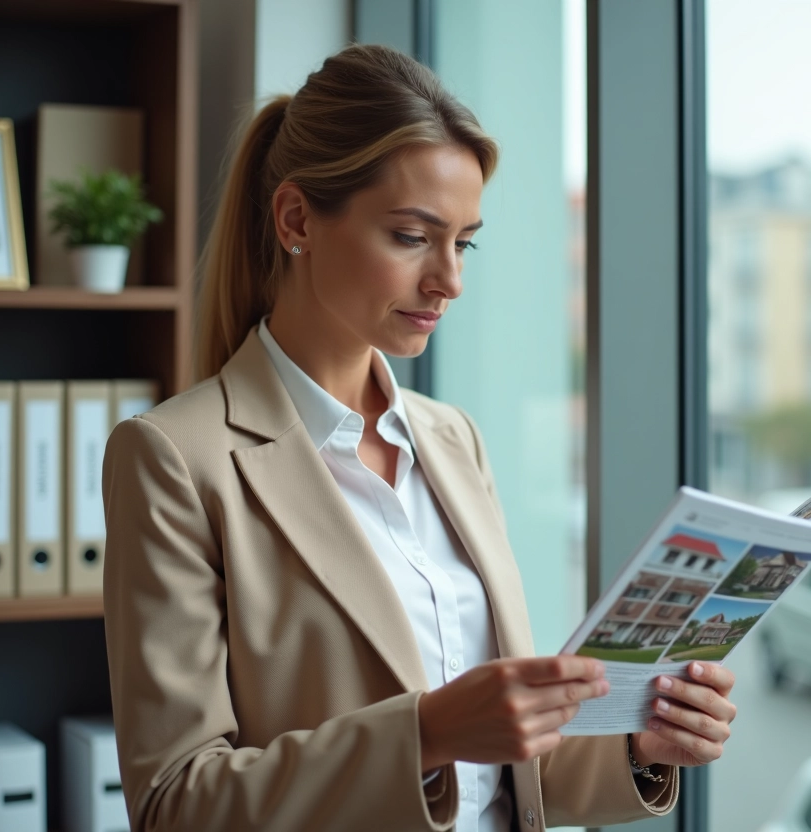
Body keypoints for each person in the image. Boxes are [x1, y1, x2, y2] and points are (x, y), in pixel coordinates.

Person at [102, 44, 736, 832]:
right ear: (297, 219)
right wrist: (425, 733)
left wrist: (640, 746)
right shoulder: (174, 458)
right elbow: (175, 805)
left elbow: (507, 776)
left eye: (463, 242)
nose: (450, 280)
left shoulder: (452, 439)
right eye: (412, 237)